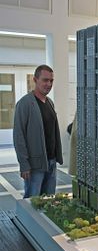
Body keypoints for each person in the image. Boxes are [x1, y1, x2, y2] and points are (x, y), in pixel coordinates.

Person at [13, 64, 63, 198]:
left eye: (51, 80)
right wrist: (24, 165)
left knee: (48, 200)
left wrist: (57, 155)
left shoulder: (49, 102)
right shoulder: (25, 104)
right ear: (35, 80)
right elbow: (19, 136)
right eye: (45, 80)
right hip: (35, 165)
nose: (49, 84)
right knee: (32, 201)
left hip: (51, 161)